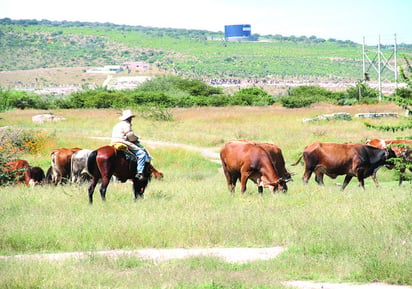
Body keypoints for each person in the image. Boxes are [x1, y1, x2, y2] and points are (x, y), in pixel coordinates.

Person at [111, 110, 151, 180]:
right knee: (141, 154)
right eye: (131, 118)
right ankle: (139, 172)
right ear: (128, 118)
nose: (131, 119)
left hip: (113, 142)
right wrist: (136, 138)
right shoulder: (126, 125)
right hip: (123, 141)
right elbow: (130, 136)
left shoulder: (117, 125)